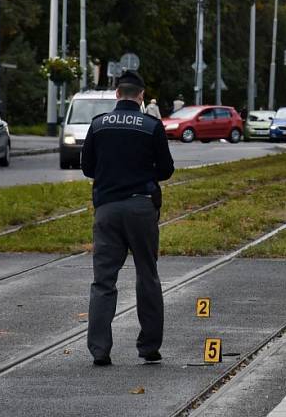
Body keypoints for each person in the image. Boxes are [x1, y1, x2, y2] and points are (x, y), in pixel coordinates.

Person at [81, 70, 174, 366]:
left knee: (103, 281)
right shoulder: (151, 126)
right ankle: (149, 347)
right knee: (147, 274)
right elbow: (166, 169)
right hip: (141, 209)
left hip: (107, 210)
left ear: (117, 94)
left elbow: (87, 167)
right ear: (141, 96)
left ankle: (99, 350)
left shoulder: (98, 126)